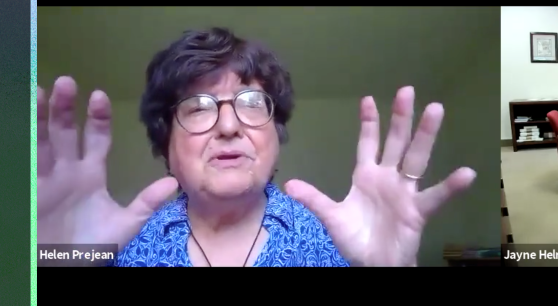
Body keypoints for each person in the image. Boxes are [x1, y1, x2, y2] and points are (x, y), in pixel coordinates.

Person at [36, 27, 476, 267]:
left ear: (274, 137)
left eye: (250, 103)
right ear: (165, 144)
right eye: (197, 107)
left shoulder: (336, 245)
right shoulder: (112, 250)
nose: (228, 125)